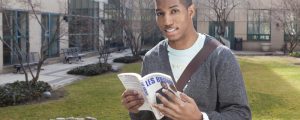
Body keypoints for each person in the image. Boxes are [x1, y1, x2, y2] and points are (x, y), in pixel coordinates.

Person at [121, 0, 251, 119]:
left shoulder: (221, 57)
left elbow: (241, 115)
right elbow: (146, 117)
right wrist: (136, 109)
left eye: (174, 11)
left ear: (191, 11)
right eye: (160, 13)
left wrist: (200, 118)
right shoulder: (151, 58)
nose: (167, 21)